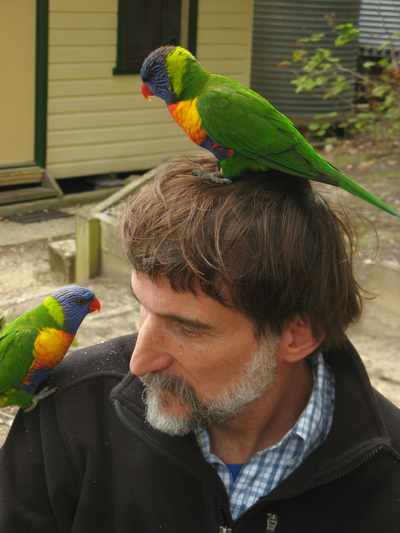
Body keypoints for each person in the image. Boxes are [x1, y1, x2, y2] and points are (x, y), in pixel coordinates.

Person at [0, 154, 399, 532]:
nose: (139, 363)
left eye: (187, 329)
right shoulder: (65, 412)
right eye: (142, 306)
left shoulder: (386, 476)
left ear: (298, 335)